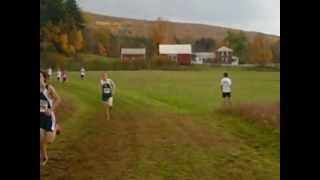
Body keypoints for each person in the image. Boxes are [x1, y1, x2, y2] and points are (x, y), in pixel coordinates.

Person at [40, 71, 61, 166]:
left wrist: (51, 109)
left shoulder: (49, 89)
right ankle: (44, 157)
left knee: (48, 141)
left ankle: (55, 128)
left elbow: (58, 99)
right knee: (41, 142)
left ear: (44, 78)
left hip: (48, 118)